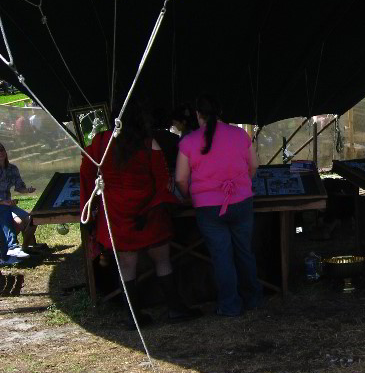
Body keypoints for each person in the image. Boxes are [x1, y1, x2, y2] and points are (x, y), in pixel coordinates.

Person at [80, 105, 200, 326]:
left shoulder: (100, 142)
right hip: (149, 212)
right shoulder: (149, 144)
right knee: (163, 260)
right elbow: (163, 180)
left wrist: (94, 203)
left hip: (118, 215)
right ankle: (174, 309)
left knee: (127, 267)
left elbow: (87, 173)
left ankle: (133, 317)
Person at [175, 95, 264, 317]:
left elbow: (180, 179)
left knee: (221, 256)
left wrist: (189, 196)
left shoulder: (188, 142)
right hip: (241, 201)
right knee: (244, 251)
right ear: (221, 112)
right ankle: (252, 299)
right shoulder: (240, 134)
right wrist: (242, 184)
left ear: (198, 115)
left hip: (208, 208)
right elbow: (254, 167)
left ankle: (230, 305)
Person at [0, 143, 39, 258]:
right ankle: (12, 247)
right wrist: (2, 202)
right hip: (3, 205)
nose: (1, 153)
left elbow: (19, 187)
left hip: (8, 204)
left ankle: (26, 247)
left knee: (32, 220)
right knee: (13, 218)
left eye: (2, 150)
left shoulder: (12, 169)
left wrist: (27, 190)